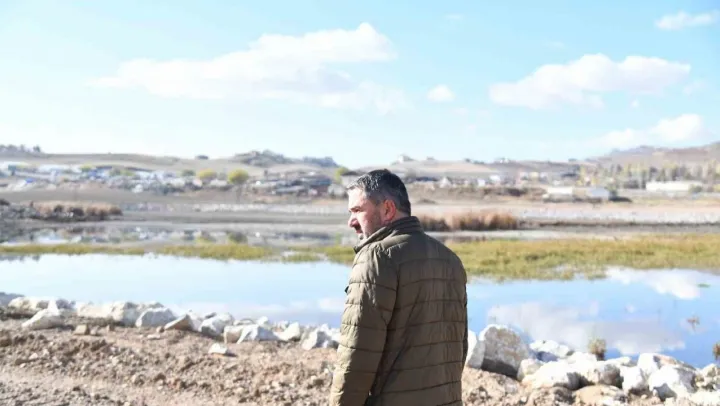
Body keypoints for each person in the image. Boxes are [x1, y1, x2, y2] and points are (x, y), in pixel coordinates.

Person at [329, 169, 468, 406]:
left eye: (357, 210)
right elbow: (459, 349)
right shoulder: (450, 260)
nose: (351, 222)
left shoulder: (376, 257)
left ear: (387, 209)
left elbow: (357, 354)